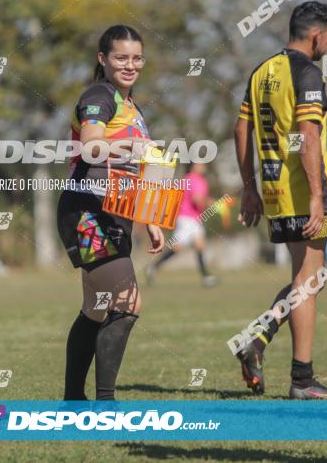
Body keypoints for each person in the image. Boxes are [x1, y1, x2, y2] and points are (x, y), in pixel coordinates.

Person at [234, 1, 327, 400]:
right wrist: (318, 197)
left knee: (311, 276)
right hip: (303, 191)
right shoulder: (307, 73)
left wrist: (250, 186)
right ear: (316, 35)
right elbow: (309, 136)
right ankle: (302, 379)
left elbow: (241, 126)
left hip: (273, 191)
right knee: (311, 279)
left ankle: (258, 339)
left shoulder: (262, 70)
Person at [57, 24, 164, 401]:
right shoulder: (99, 94)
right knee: (127, 303)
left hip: (113, 215)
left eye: (136, 58)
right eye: (121, 57)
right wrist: (131, 152)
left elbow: (141, 168)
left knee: (97, 307)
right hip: (87, 212)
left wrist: (150, 217)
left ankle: (73, 400)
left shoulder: (131, 106)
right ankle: (106, 404)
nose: (130, 64)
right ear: (103, 59)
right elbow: (91, 146)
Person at [145, 162, 219, 287]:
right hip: (188, 219)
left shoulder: (187, 179)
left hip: (189, 218)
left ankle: (205, 276)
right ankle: (153, 267)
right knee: (178, 247)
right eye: (200, 163)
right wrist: (212, 202)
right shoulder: (196, 179)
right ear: (194, 166)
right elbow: (197, 199)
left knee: (199, 245)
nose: (203, 166)